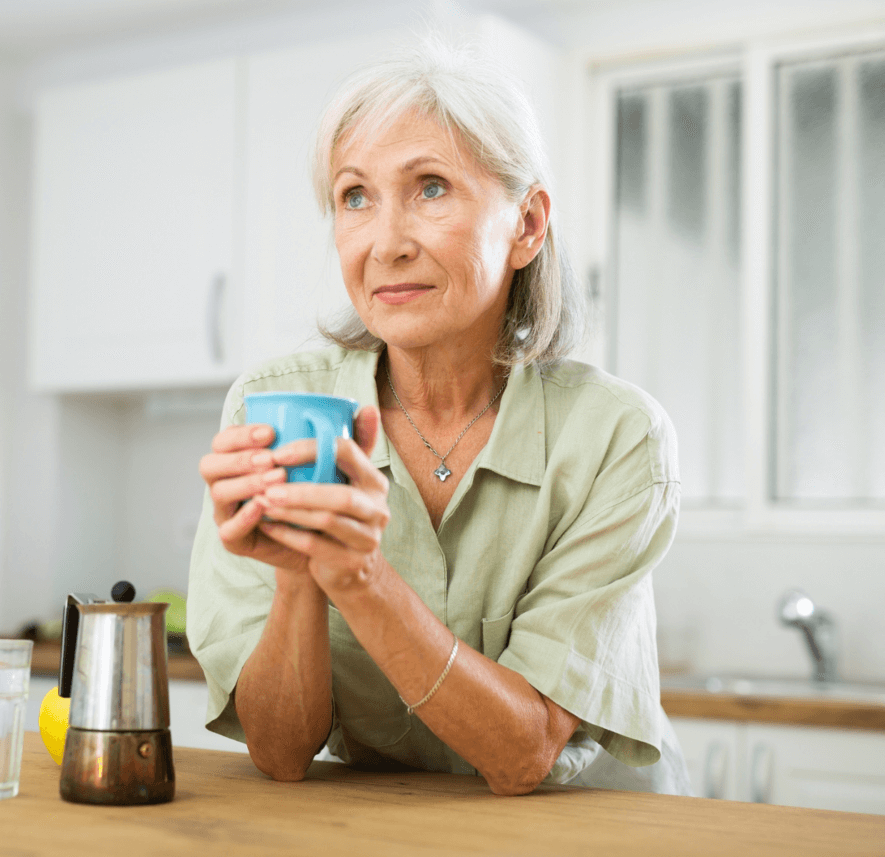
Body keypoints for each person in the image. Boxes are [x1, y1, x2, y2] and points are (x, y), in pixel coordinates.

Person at [188, 37, 690, 797]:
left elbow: (525, 754)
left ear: (526, 225)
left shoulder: (616, 438)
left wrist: (356, 575)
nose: (386, 243)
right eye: (355, 196)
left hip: (587, 834)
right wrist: (299, 578)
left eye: (430, 188)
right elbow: (281, 752)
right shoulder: (277, 409)